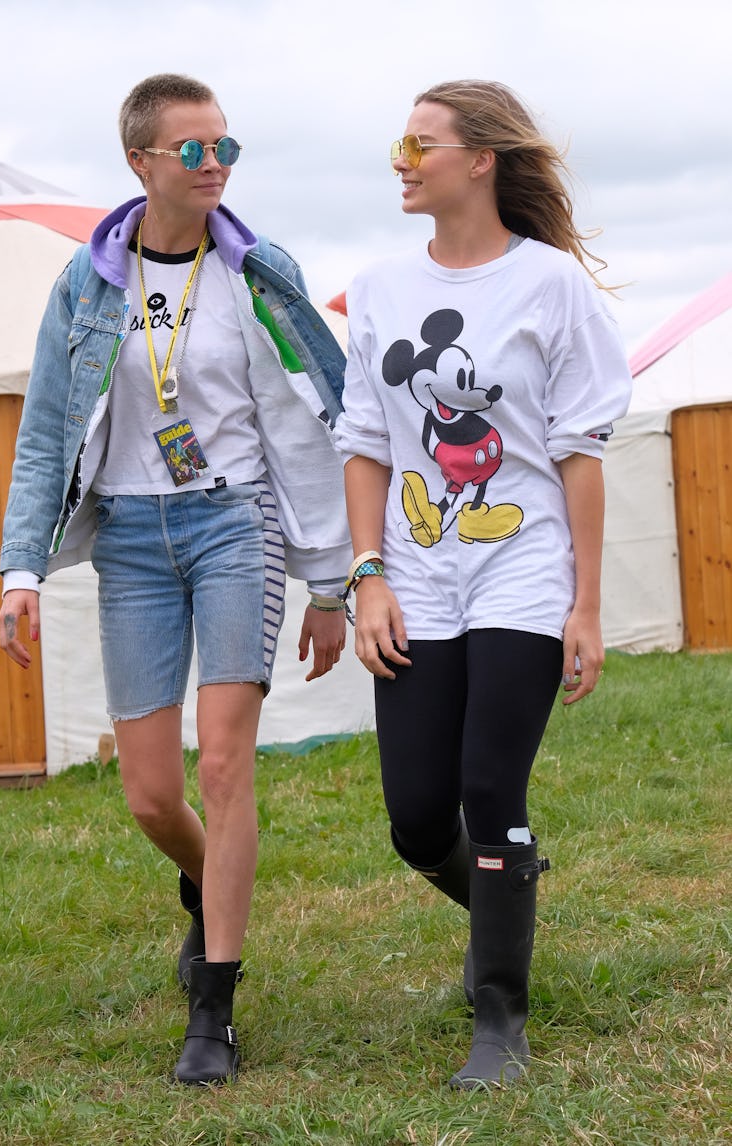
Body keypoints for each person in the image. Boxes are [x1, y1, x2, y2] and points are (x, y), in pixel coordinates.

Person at [0, 73, 350, 1086]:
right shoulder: (86, 283)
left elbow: (308, 422)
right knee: (153, 794)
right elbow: (46, 434)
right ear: (140, 162)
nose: (214, 167)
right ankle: (213, 885)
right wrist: (22, 565)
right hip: (132, 546)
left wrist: (329, 582)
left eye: (224, 149)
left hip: (234, 523)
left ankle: (215, 1005)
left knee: (226, 763)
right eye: (193, 150)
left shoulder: (254, 270)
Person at [334, 80, 632, 1089]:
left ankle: (497, 1015)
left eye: (419, 143)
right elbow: (365, 441)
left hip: (519, 567)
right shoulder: (375, 288)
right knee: (416, 817)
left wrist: (583, 601)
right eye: (400, 142)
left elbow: (579, 448)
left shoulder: (549, 287)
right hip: (412, 573)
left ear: (480, 160)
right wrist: (365, 577)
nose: (401, 160)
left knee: (487, 788)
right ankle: (509, 893)